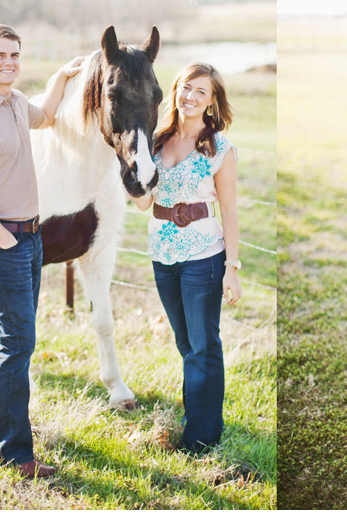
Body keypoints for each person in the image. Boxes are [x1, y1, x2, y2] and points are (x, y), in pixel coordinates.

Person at [0, 24, 82, 479]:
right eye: (0, 55)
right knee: (19, 340)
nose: (9, 62)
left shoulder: (14, 103)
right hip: (0, 239)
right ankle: (12, 453)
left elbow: (44, 115)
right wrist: (4, 240)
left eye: (15, 55)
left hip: (30, 237)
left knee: (7, 338)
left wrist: (61, 79)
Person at [130, 62, 242, 453]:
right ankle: (199, 416)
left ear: (212, 102)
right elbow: (145, 203)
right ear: (175, 90)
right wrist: (128, 172)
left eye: (201, 93)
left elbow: (229, 212)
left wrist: (232, 268)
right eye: (187, 88)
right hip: (162, 255)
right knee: (185, 343)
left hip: (204, 257)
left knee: (203, 345)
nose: (191, 97)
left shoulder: (219, 148)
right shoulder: (156, 142)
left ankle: (202, 437)